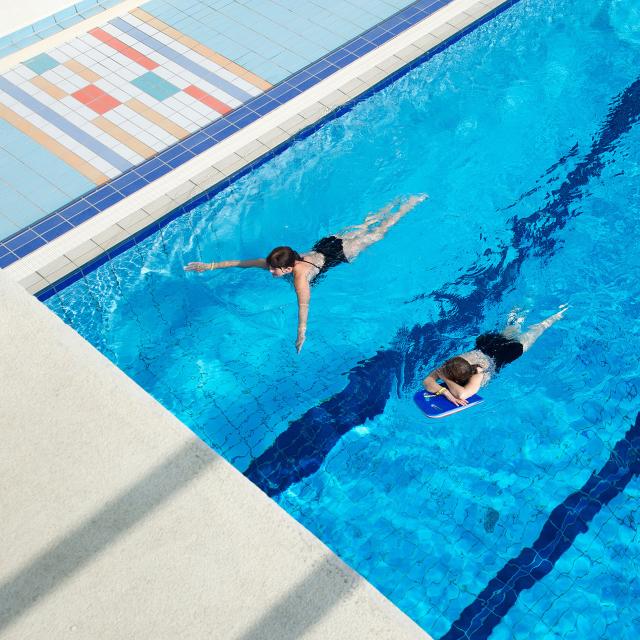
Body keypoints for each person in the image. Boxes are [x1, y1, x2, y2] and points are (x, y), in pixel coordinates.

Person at [184, 194, 427, 352]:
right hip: (326, 243)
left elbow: (304, 306)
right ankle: (395, 201)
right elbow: (241, 263)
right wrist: (210, 266)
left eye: (275, 270)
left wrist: (301, 333)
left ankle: (405, 207)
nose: (270, 271)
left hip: (338, 252)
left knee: (376, 232)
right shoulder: (276, 261)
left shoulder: (300, 278)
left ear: (289, 268)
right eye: (270, 267)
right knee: (364, 226)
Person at [423, 306, 568, 406]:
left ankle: (558, 315)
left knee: (536, 331)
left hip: (506, 353)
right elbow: (427, 381)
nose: (442, 369)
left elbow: (461, 395)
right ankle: (527, 301)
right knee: (513, 326)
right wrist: (445, 390)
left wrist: (444, 378)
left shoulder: (477, 374)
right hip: (488, 346)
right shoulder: (453, 365)